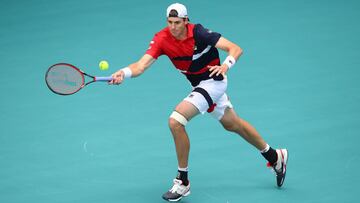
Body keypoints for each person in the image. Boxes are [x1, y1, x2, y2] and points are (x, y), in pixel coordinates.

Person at [109, 3, 288, 202]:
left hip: (214, 81)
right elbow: (141, 65)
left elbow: (235, 49)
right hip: (200, 85)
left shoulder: (200, 33)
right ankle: (274, 156)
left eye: (177, 22)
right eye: (170, 22)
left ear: (186, 21)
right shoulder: (162, 38)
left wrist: (225, 66)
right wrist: (123, 73)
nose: (173, 27)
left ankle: (183, 181)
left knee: (176, 121)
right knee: (233, 125)